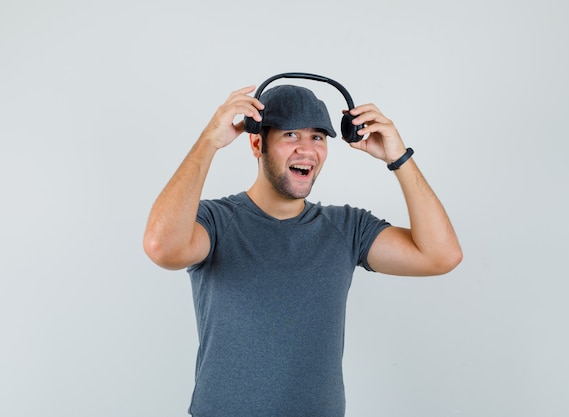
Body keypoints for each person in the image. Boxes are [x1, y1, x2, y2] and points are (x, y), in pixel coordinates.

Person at [143, 80, 462, 417]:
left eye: (317, 137)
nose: (307, 149)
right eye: (291, 135)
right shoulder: (214, 222)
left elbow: (441, 256)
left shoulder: (347, 228)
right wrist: (209, 141)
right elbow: (162, 247)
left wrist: (399, 157)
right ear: (256, 143)